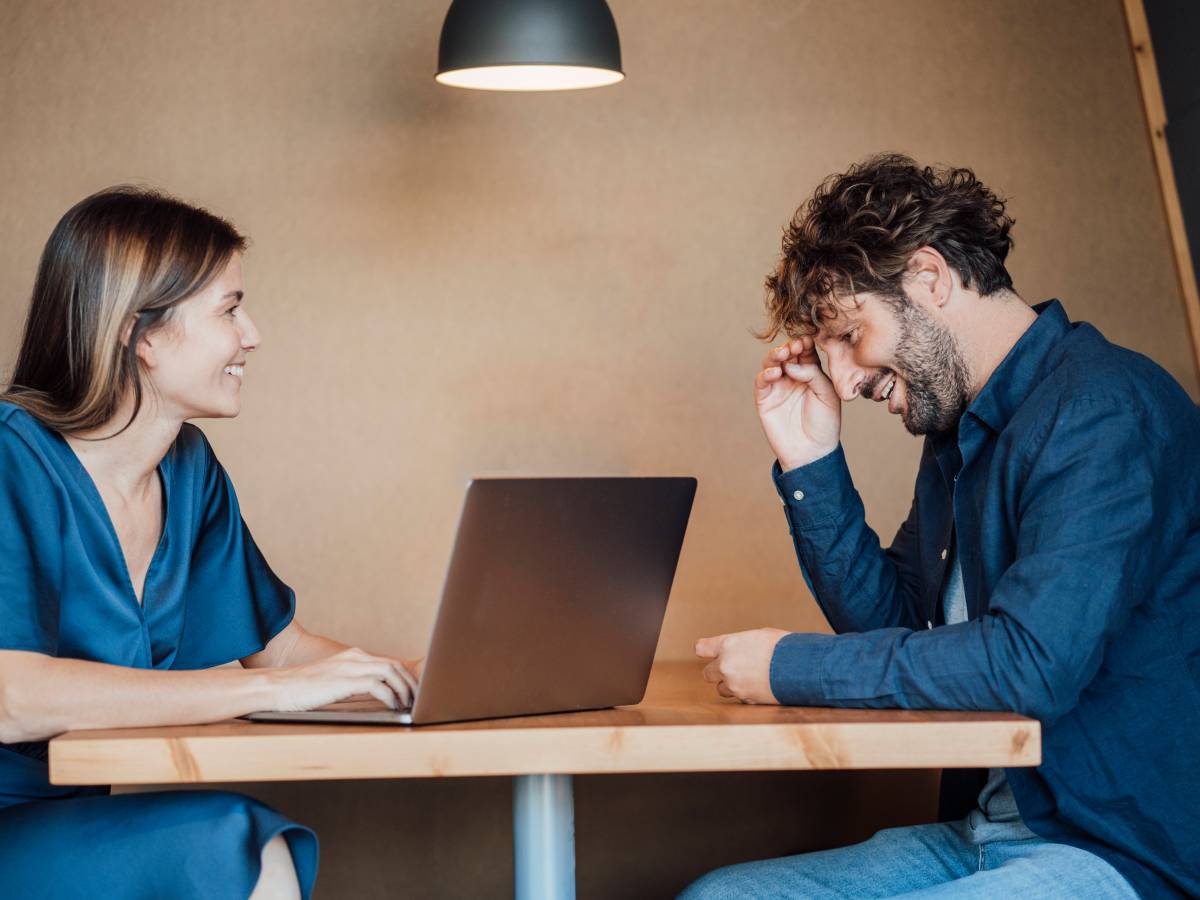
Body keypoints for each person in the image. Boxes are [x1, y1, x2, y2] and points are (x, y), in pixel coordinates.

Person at [682, 154, 1199, 899]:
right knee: (719, 898)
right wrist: (811, 463)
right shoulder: (959, 435)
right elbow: (893, 624)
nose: (847, 381)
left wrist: (787, 666)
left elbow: (1032, 664)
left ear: (929, 277)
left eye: (850, 335)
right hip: (988, 834)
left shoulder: (1103, 413)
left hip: (1118, 851)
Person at [0, 187, 420, 899]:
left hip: (79, 821)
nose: (251, 334)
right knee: (235, 844)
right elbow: (11, 694)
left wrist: (425, 676)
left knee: (233, 840)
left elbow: (279, 647)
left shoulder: (188, 469)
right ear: (143, 335)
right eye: (229, 309)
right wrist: (271, 692)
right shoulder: (13, 460)